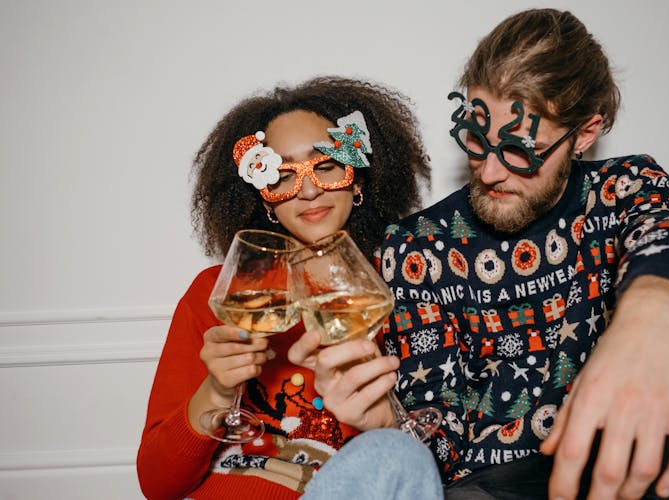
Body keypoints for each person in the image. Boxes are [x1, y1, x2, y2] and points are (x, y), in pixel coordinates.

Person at [288, 8, 669, 500]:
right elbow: (438, 448)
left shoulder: (623, 188)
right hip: (491, 488)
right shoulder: (417, 247)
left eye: (519, 150)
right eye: (474, 139)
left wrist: (650, 318)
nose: (488, 172)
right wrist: (386, 418)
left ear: (585, 135)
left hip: (625, 465)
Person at [136, 76, 443, 500]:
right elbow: (157, 485)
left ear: (358, 181)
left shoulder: (404, 284)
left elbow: (421, 470)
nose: (310, 189)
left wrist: (386, 417)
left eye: (327, 165)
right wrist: (219, 390)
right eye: (281, 175)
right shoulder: (222, 294)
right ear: (266, 198)